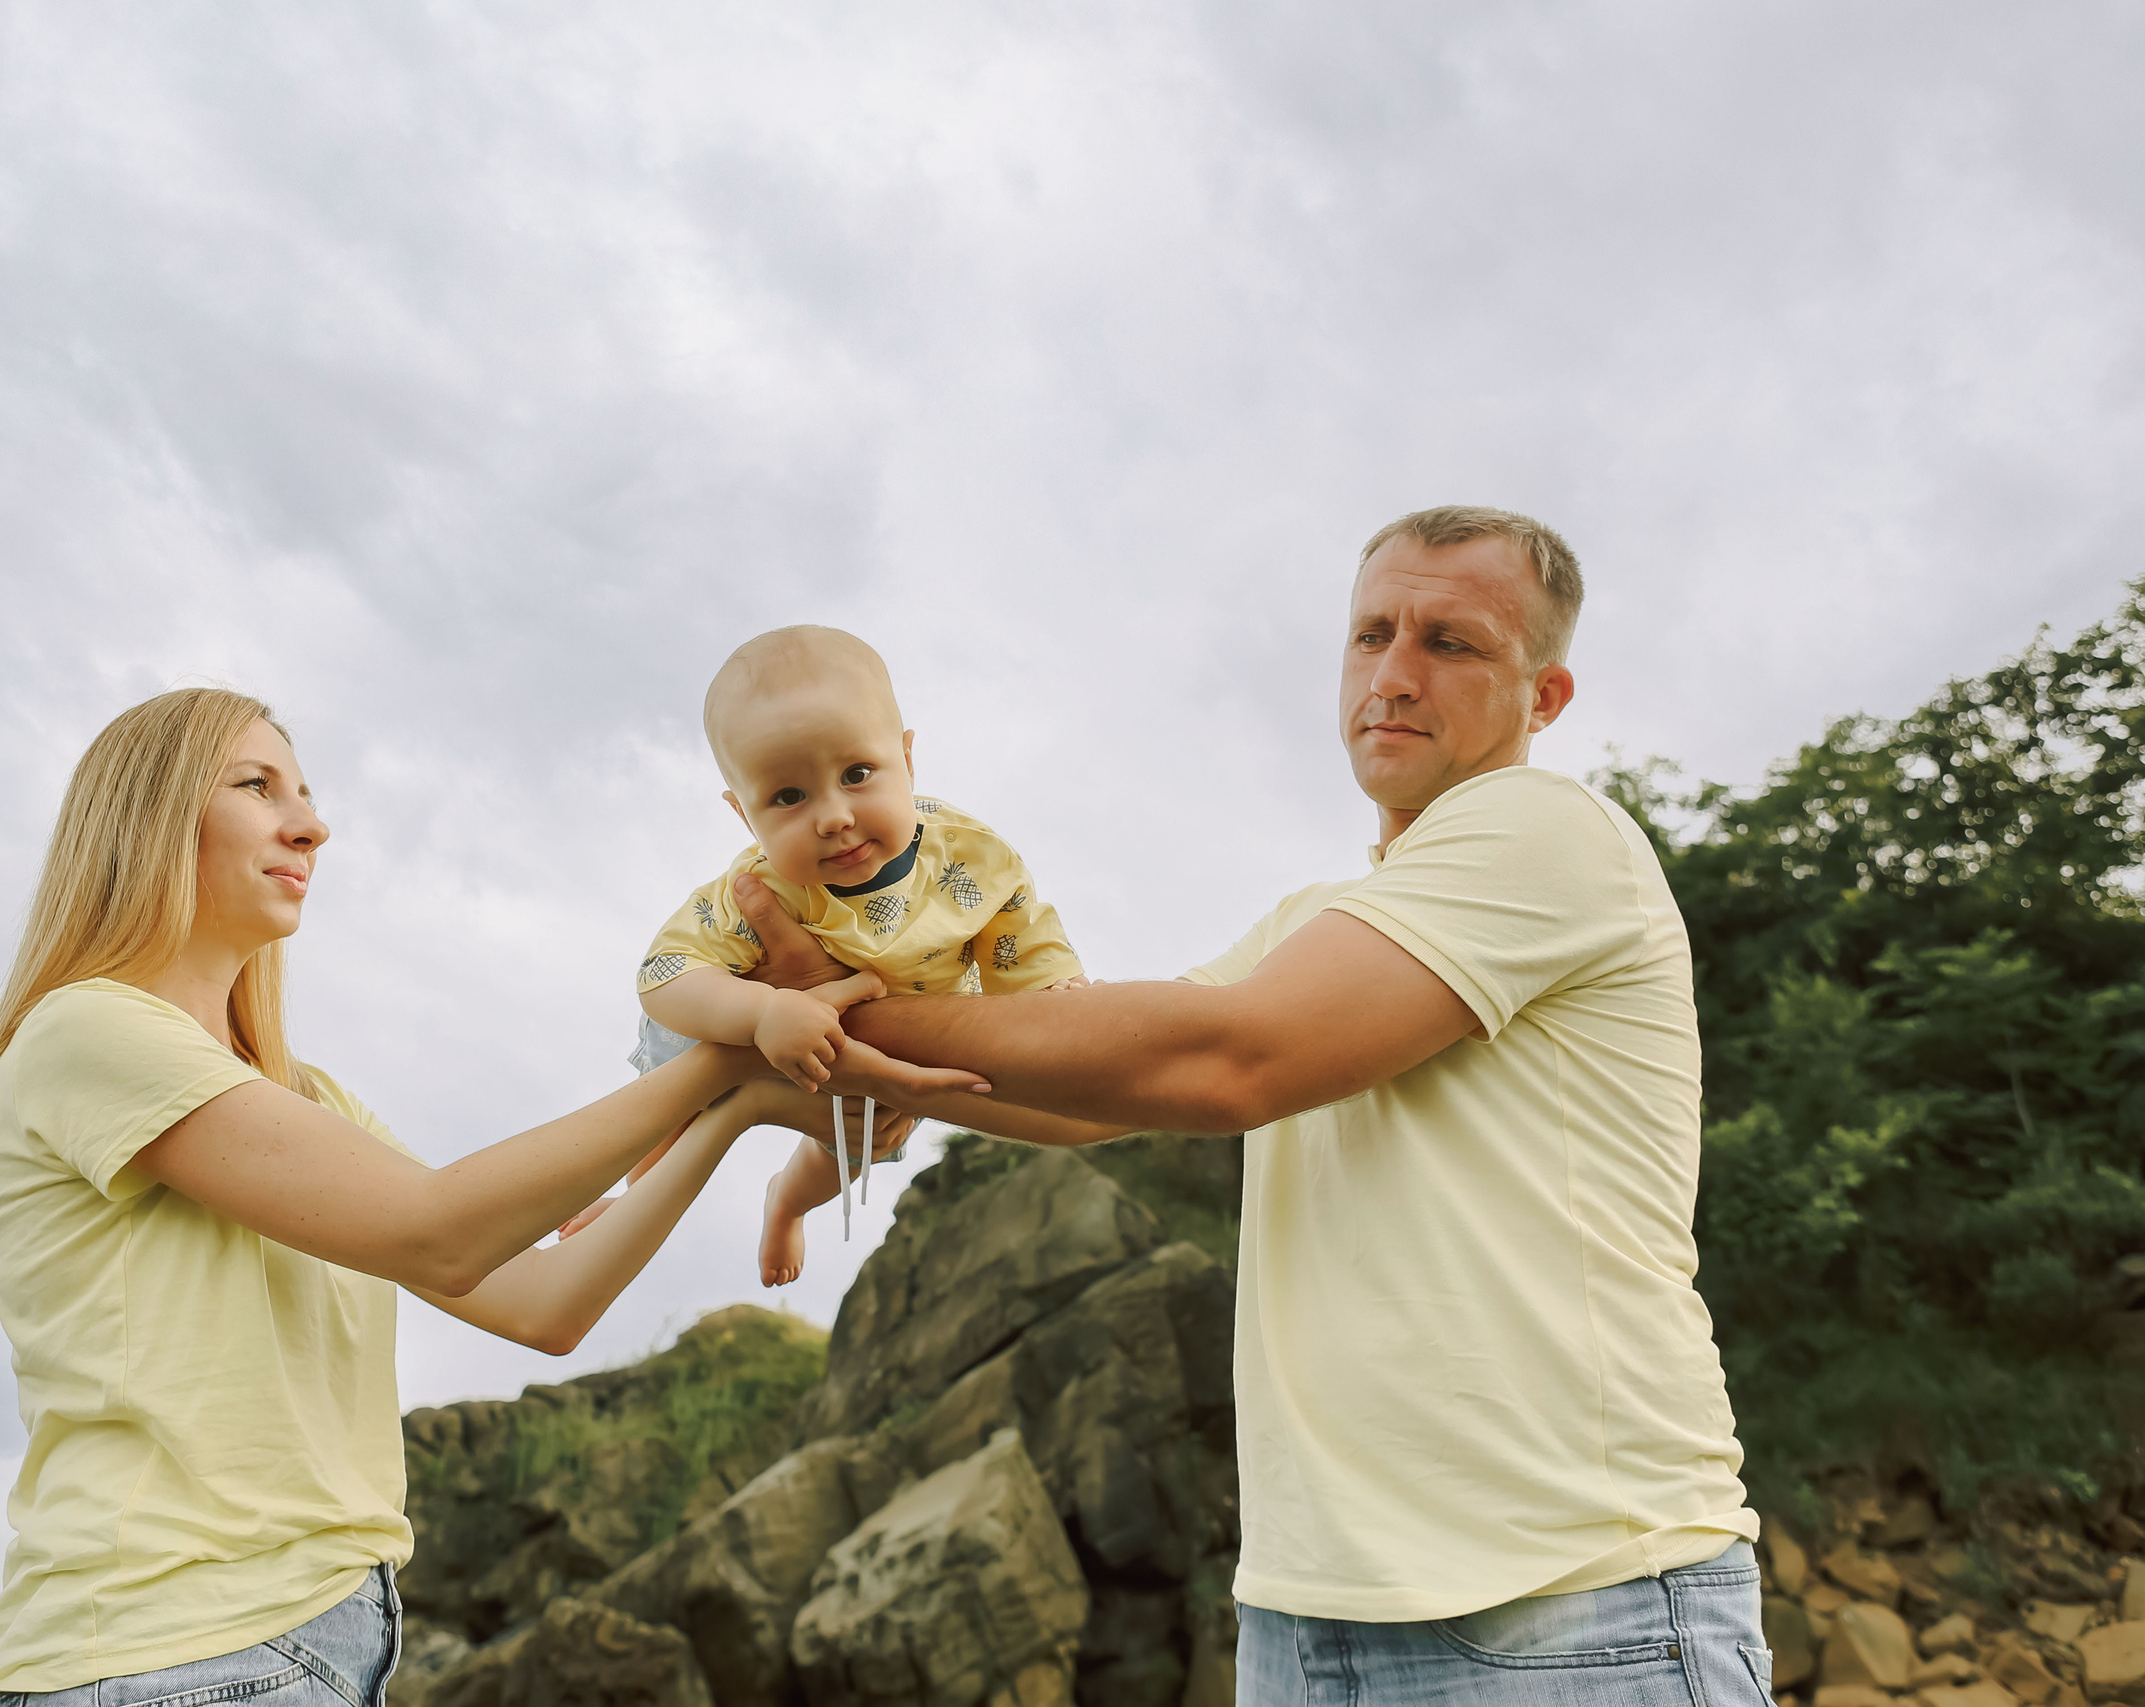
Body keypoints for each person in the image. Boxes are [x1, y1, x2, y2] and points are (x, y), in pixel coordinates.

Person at [746, 509, 1771, 1704]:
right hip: (1306, 1620)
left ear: (1544, 699)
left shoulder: (1547, 831)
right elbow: (1093, 1096)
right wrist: (855, 1056)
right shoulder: (1309, 925)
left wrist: (835, 1018)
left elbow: (1234, 1064)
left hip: (1570, 1608)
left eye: (1452, 643)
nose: (1390, 676)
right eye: (1370, 635)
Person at [0, 688, 958, 1707]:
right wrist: (721, 1059)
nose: (311, 823)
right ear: (147, 815)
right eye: (257, 787)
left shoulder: (306, 1101)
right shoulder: (88, 1033)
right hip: (162, 1653)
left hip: (313, 1645)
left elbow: (540, 1304)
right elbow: (443, 1235)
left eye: (305, 792)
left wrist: (732, 1108)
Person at [614, 625, 1085, 1286]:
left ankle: (786, 1202)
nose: (832, 815)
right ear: (744, 815)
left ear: (907, 758)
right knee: (665, 1118)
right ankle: (629, 1207)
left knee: (854, 1147)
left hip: (885, 1038)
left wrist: (1055, 990)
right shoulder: (758, 888)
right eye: (787, 796)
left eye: (857, 774)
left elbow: (1018, 930)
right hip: (743, 1027)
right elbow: (664, 973)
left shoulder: (970, 856)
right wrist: (758, 1012)